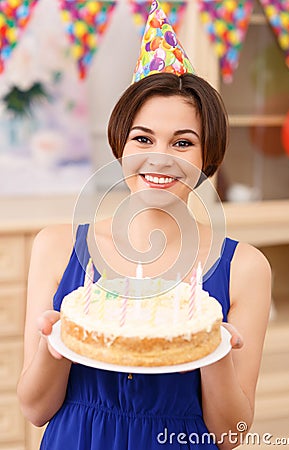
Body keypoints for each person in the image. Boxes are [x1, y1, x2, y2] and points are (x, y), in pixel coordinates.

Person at [17, 3, 271, 449]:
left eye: (183, 142)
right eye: (142, 138)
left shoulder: (246, 267)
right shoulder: (55, 246)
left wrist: (214, 354)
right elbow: (36, 410)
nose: (161, 158)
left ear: (207, 157)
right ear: (120, 145)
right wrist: (54, 345)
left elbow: (230, 437)